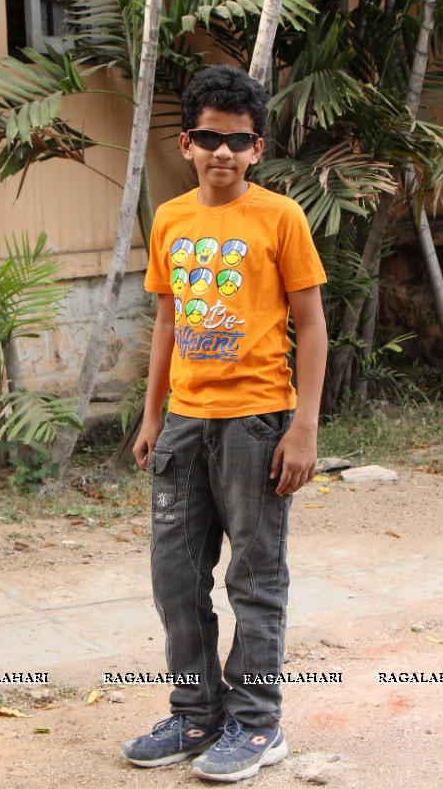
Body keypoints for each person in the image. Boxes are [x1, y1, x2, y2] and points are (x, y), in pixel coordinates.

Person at [121, 65, 328, 783]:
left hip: (256, 424)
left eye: (236, 140)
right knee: (175, 575)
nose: (222, 152)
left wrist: (303, 427)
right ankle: (195, 711)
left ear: (257, 149)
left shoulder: (280, 218)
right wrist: (153, 417)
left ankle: (257, 722)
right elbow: (168, 321)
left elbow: (311, 325)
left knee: (254, 575)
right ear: (186, 143)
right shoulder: (172, 219)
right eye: (209, 137)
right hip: (184, 424)